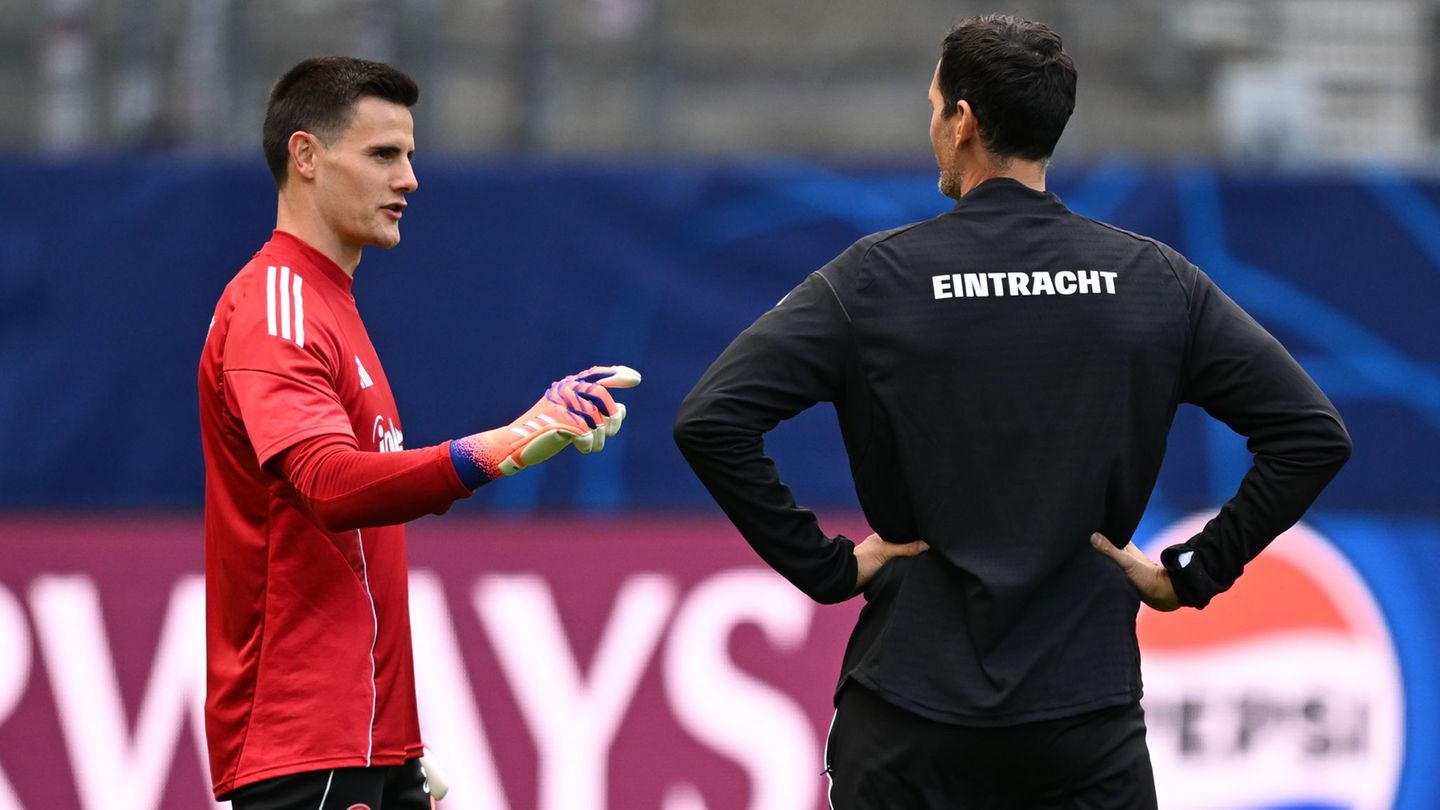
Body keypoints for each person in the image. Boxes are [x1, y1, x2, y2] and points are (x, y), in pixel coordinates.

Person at [673, 14, 1350, 810]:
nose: (932, 124)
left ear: (962, 121)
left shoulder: (876, 281)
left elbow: (710, 418)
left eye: (934, 106)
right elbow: (1310, 435)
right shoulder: (1150, 280)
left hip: (909, 717)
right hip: (1082, 725)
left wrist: (827, 567)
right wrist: (1190, 573)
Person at [197, 56, 640, 809]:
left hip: (361, 734)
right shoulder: (276, 304)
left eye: (409, 155)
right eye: (383, 155)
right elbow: (330, 486)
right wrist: (499, 447)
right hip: (305, 738)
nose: (409, 180)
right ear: (305, 156)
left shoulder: (327, 300)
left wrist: (394, 739)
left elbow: (351, 555)